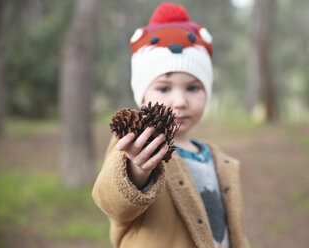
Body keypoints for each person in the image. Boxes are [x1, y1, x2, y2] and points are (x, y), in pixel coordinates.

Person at [92, 2, 249, 248]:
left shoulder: (217, 160)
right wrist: (137, 171)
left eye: (193, 88)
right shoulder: (134, 146)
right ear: (142, 97)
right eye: (164, 88)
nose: (179, 101)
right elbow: (111, 203)